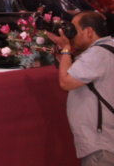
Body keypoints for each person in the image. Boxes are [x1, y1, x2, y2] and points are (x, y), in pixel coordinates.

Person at [47, 12, 114, 165]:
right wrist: (63, 52)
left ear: (89, 31)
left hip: (101, 143)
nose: (71, 35)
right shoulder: (108, 48)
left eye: (74, 30)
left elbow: (66, 82)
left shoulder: (97, 54)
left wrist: (66, 48)